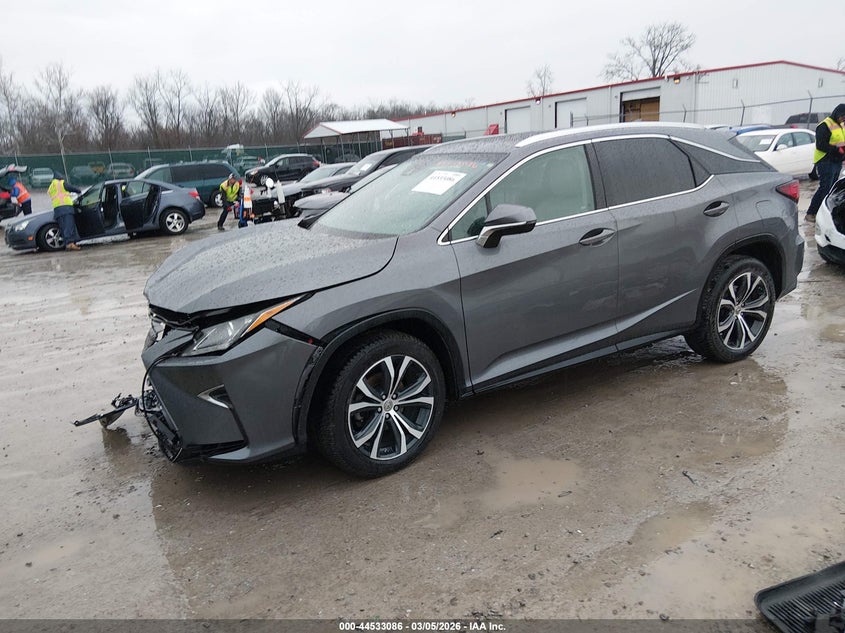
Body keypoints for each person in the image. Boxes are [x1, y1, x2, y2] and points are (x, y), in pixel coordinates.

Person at [805, 103, 845, 221]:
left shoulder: (840, 126)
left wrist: (842, 154)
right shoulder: (824, 125)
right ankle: (812, 213)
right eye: (842, 116)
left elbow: (841, 142)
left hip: (837, 161)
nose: (843, 119)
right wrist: (838, 150)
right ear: (837, 114)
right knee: (825, 188)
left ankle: (827, 214)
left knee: (832, 189)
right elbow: (821, 145)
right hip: (825, 161)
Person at [48, 172, 82, 251]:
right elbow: (74, 189)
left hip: (57, 209)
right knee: (69, 226)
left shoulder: (51, 186)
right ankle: (70, 244)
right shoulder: (61, 184)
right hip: (65, 208)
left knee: (63, 227)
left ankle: (68, 244)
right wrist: (78, 191)